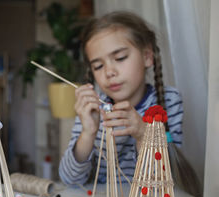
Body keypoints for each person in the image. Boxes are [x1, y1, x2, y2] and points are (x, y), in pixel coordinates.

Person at [59, 11, 183, 185]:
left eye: (120, 58)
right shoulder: (92, 109)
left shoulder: (169, 101)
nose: (109, 72)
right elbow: (70, 180)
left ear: (147, 57)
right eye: (98, 66)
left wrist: (142, 134)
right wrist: (88, 132)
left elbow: (171, 180)